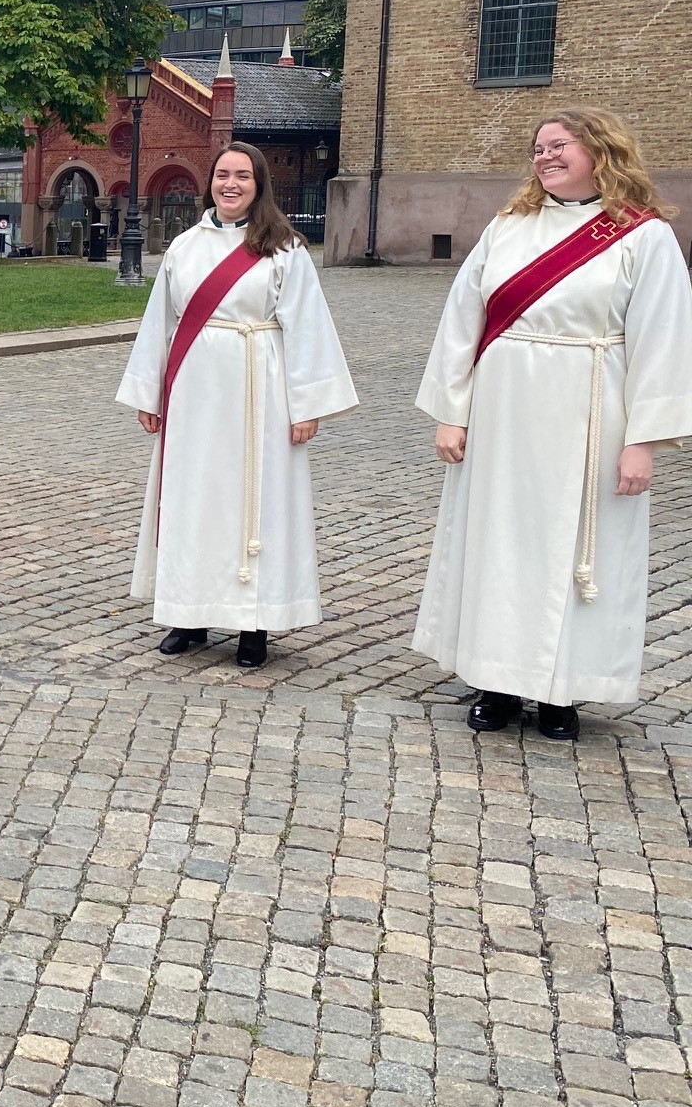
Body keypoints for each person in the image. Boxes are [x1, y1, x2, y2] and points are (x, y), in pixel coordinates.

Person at [414, 108, 692, 740]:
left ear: (601, 151)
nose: (544, 157)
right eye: (538, 149)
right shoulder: (509, 227)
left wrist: (642, 442)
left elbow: (665, 341)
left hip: (592, 411)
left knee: (575, 551)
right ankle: (496, 681)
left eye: (559, 146)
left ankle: (562, 691)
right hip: (504, 411)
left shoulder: (641, 236)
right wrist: (452, 416)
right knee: (499, 541)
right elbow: (463, 321)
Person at [116, 142, 356, 668]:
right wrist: (148, 391)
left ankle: (255, 624)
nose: (230, 184)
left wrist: (307, 404)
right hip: (196, 389)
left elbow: (308, 326)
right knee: (194, 495)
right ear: (211, 183)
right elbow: (160, 320)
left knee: (259, 498)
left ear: (259, 184)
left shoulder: (284, 248)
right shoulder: (184, 246)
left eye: (242, 176)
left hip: (259, 387)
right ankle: (188, 613)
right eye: (222, 175)